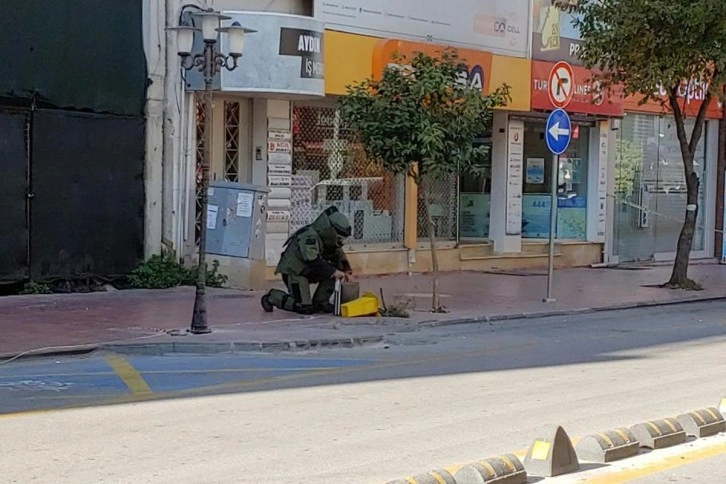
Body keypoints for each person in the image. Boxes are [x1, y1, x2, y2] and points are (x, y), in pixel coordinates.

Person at [261, 206, 353, 314]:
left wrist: (346, 270)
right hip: (295, 272)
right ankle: (272, 297)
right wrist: (334, 272)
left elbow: (339, 255)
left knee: (335, 273)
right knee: (304, 307)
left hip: (309, 270)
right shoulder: (309, 236)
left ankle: (320, 302)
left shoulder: (329, 240)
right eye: (340, 237)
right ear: (331, 231)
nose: (341, 241)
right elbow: (313, 261)